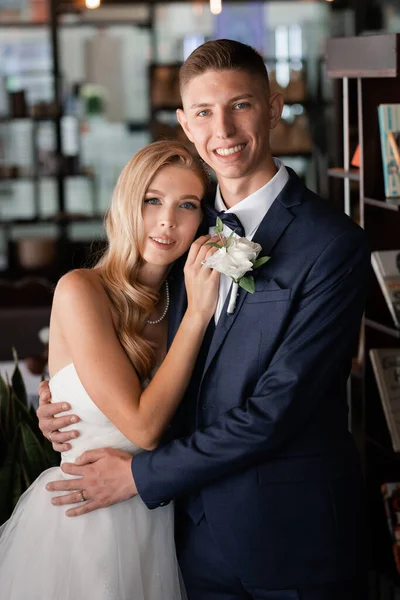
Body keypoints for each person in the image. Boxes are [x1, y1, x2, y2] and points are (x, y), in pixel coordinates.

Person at [37, 40, 370, 600]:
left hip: (288, 539)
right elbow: (124, 328)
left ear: (273, 107)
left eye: (240, 105)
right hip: (181, 537)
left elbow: (276, 412)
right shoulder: (181, 226)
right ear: (185, 125)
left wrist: (140, 476)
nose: (225, 128)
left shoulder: (332, 244)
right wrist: (62, 400)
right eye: (204, 112)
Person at [0, 140, 221, 599]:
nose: (167, 221)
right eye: (152, 200)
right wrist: (199, 316)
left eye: (187, 205)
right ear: (126, 202)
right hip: (84, 529)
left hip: (161, 524)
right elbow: (142, 427)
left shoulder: (183, 296)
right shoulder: (82, 290)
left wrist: (196, 308)